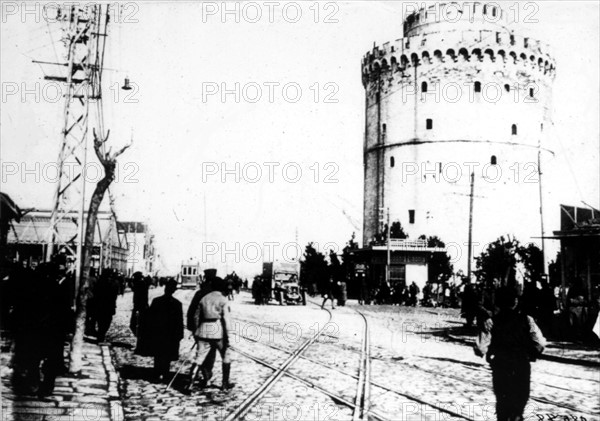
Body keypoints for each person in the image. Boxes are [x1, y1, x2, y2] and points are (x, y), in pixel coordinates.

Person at [475, 287, 546, 421]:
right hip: (522, 365)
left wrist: (486, 351)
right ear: (515, 302)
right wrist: (532, 353)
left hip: (500, 366)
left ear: (497, 303)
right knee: (519, 403)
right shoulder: (527, 320)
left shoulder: (491, 322)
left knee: (503, 403)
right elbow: (540, 343)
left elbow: (480, 347)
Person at [186, 276, 234, 392]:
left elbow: (196, 317)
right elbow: (226, 320)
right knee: (225, 355)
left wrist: (196, 331)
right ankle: (224, 384)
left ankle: (190, 385)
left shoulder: (204, 298)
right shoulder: (223, 299)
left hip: (203, 331)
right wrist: (229, 337)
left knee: (199, 358)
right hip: (217, 331)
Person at [148, 280, 183, 382]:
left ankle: (157, 373)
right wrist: (179, 334)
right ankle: (165, 374)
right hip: (170, 334)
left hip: (158, 332)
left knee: (158, 353)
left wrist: (150, 331)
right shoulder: (177, 304)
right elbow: (179, 321)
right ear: (174, 290)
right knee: (167, 354)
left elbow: (150, 318)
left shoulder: (156, 301)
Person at [92, 269, 119, 342]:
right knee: (106, 321)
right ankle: (101, 335)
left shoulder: (100, 281)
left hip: (101, 305)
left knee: (102, 321)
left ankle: (101, 335)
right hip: (107, 305)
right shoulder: (112, 283)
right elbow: (115, 294)